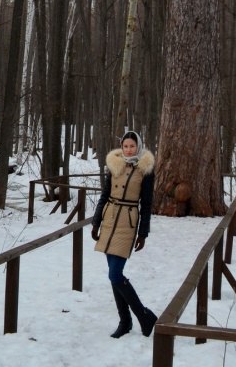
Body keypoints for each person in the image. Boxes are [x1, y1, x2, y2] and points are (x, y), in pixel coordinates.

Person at [91, 130, 157, 338]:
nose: (129, 149)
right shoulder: (114, 164)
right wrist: (96, 222)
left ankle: (144, 315)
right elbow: (104, 195)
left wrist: (143, 233)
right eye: (126, 146)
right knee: (113, 275)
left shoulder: (145, 169)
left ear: (138, 146)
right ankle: (125, 321)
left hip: (127, 223)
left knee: (115, 274)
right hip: (109, 220)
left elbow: (146, 204)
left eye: (132, 146)